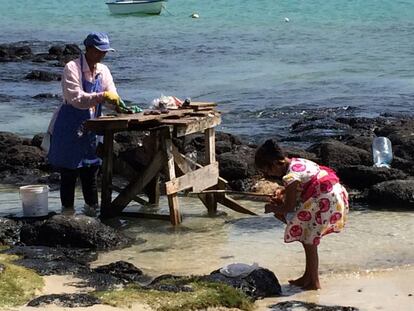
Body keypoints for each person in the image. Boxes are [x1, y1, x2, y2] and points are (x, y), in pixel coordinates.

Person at [255, 139, 349, 290]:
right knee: (307, 238)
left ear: (274, 163)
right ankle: (307, 276)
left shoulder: (290, 177)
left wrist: (271, 208)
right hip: (334, 194)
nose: (269, 175)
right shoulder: (297, 162)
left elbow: (288, 207)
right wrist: (282, 191)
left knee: (309, 241)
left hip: (324, 200)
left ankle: (314, 282)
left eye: (268, 171)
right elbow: (305, 179)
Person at [47, 32, 122, 216]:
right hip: (69, 125)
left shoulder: (103, 70)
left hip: (91, 128)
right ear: (88, 49)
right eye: (99, 51)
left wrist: (117, 104)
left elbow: (111, 93)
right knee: (69, 173)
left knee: (91, 172)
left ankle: (92, 212)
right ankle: (67, 214)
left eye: (105, 52)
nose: (102, 55)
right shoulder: (71, 68)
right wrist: (102, 96)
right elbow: (76, 99)